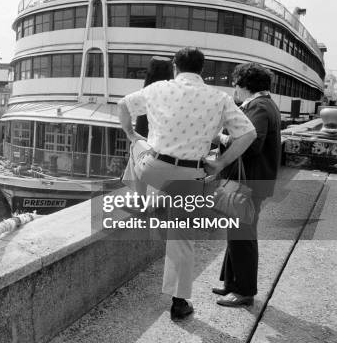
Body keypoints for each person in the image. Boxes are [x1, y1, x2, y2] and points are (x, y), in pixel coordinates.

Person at [118, 47, 257, 320]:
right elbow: (248, 134)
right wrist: (219, 163)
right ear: (201, 70)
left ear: (175, 66)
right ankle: (179, 303)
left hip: (153, 170)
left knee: (138, 147)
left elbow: (123, 105)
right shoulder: (219, 98)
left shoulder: (159, 88)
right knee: (182, 240)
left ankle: (139, 199)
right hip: (189, 178)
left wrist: (131, 133)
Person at [212, 63, 281, 307]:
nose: (234, 89)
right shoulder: (264, 104)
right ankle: (232, 282)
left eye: (236, 84)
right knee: (237, 233)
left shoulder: (259, 107)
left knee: (243, 235)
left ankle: (244, 291)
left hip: (249, 183)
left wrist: (219, 137)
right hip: (250, 182)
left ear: (244, 85)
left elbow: (252, 144)